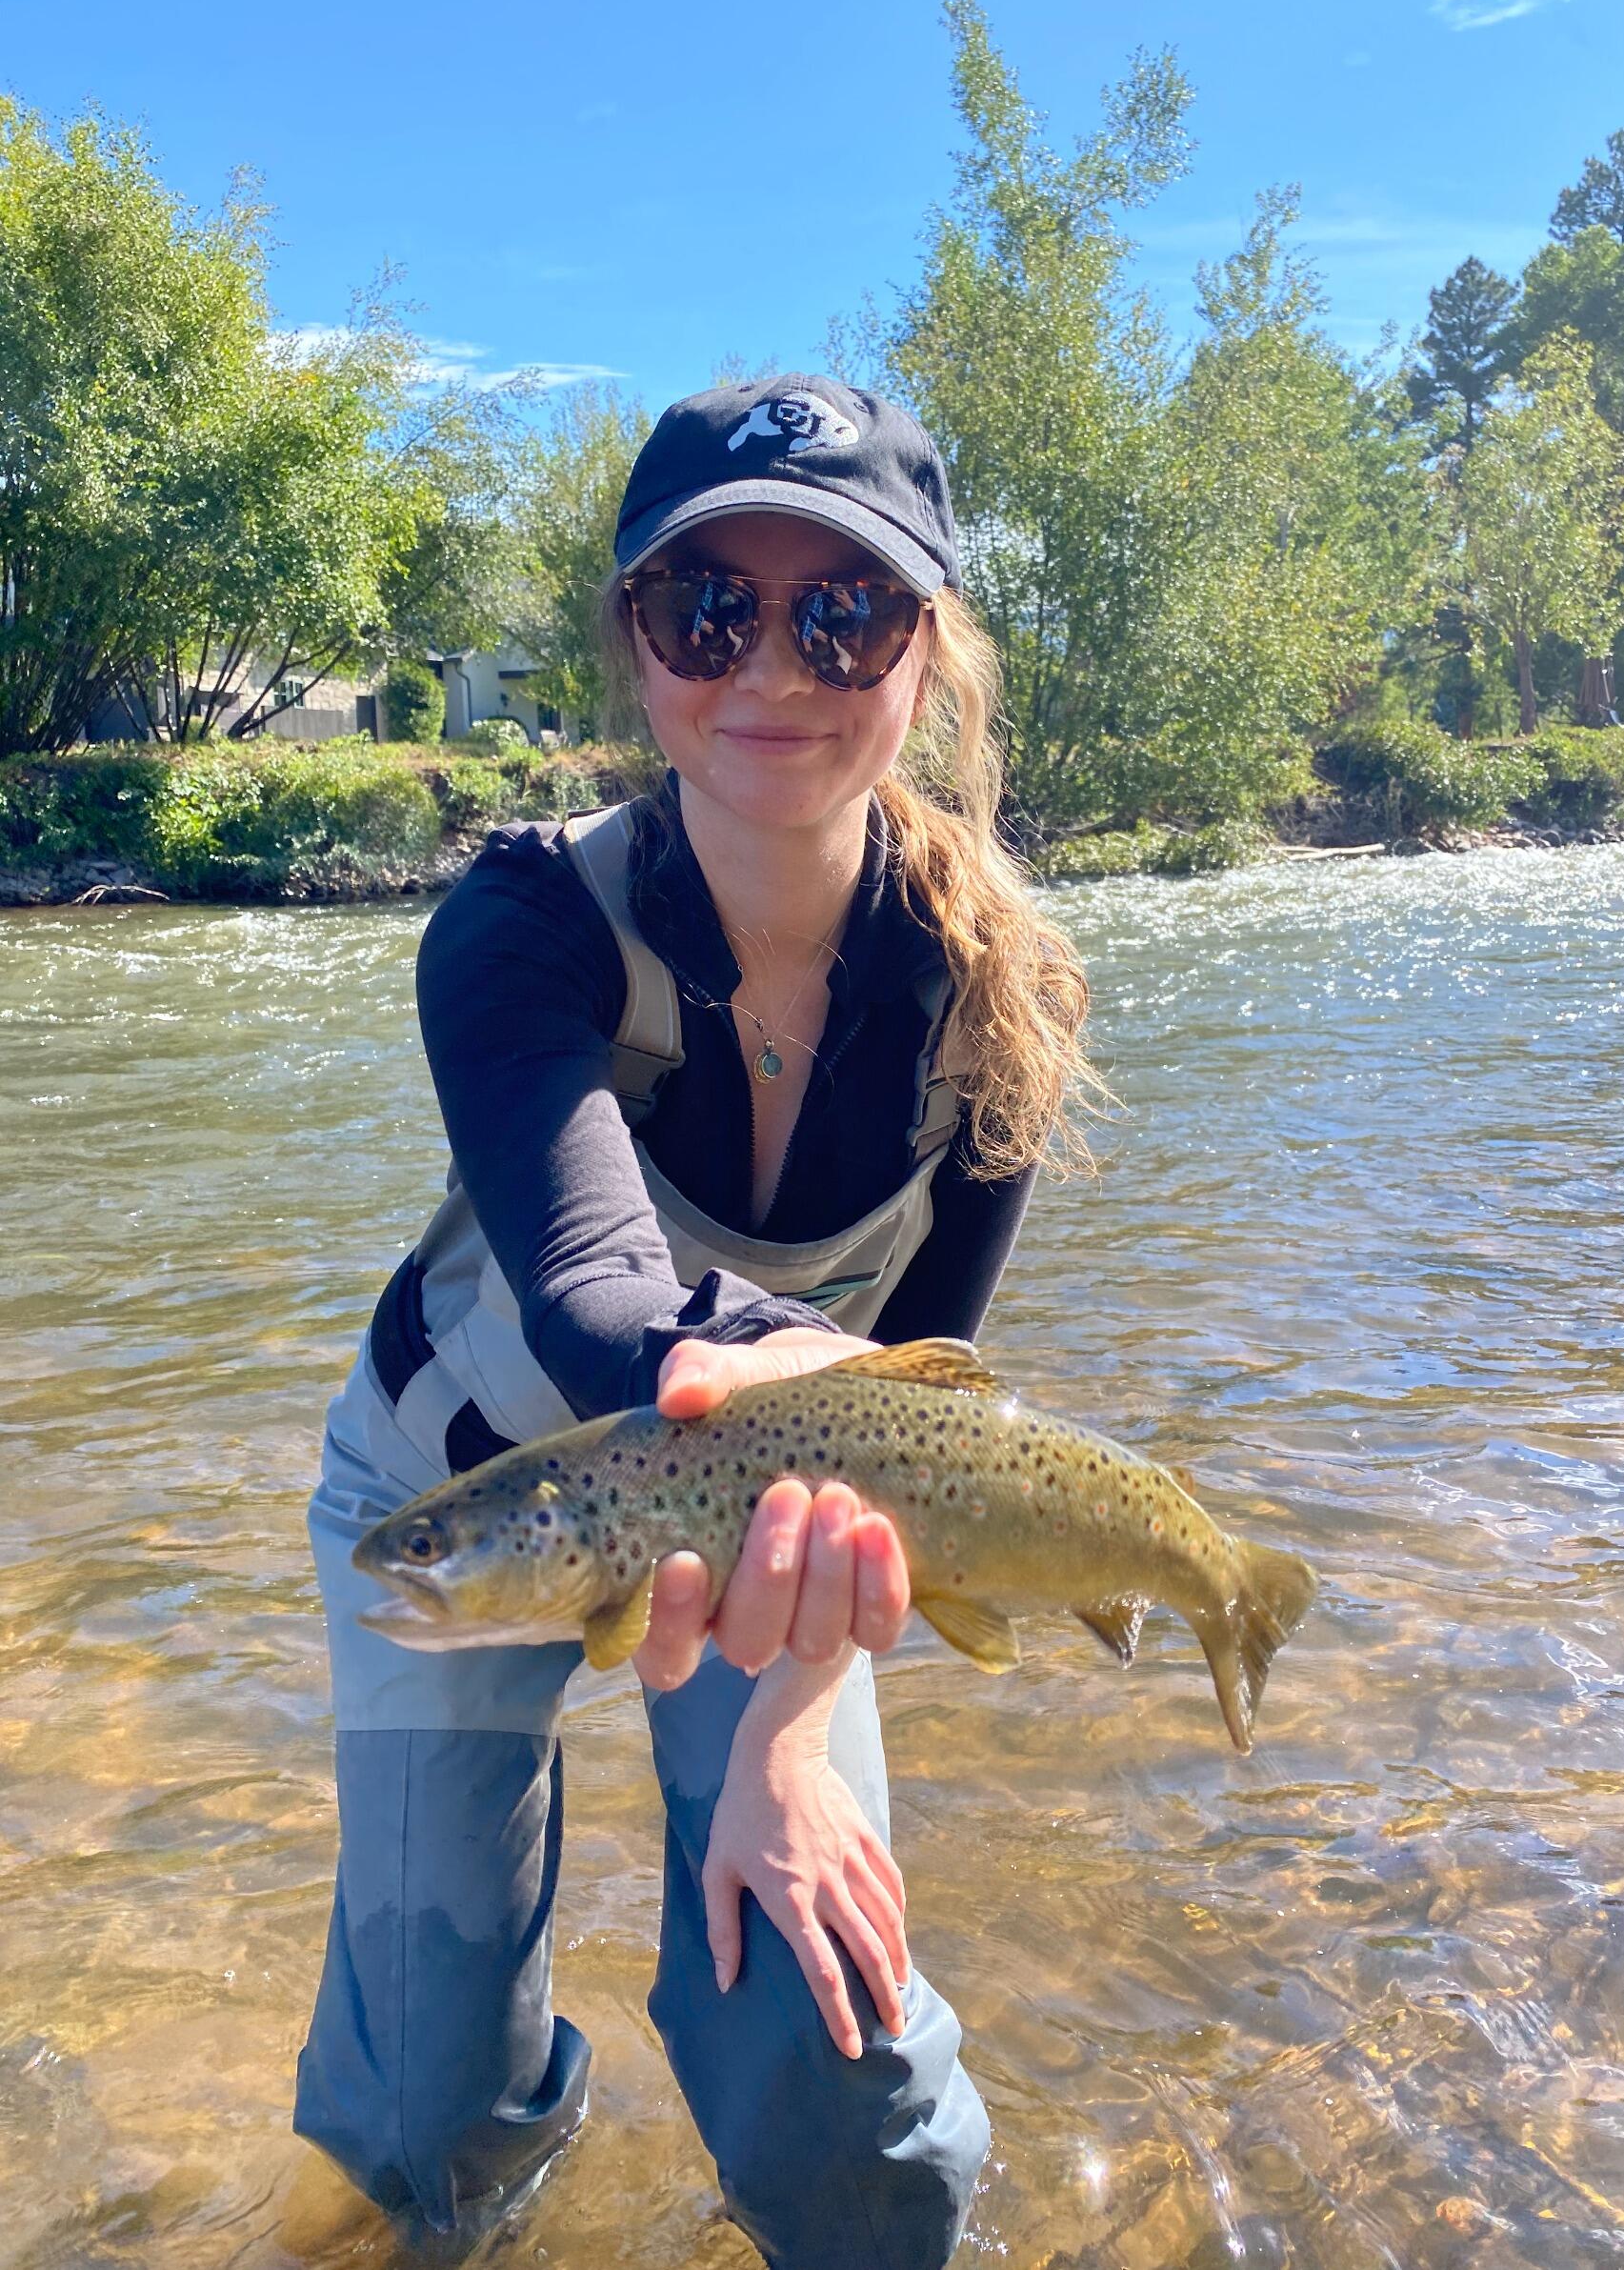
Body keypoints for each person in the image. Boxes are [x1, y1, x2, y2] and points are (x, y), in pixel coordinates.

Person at [293, 372, 1096, 2268]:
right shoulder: (518, 927)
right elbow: (595, 1293)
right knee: (420, 2126)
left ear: (926, 654)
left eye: (847, 612)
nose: (774, 668)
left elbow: (917, 1440)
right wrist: (784, 1363)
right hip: (449, 1503)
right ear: (633, 644)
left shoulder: (1003, 996)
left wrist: (785, 1740)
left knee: (839, 2072)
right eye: (707, 608)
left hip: (779, 1539)